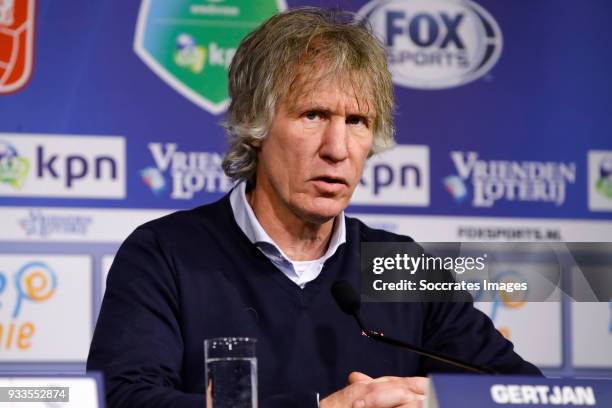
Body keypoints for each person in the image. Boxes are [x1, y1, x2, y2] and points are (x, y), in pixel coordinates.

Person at [87, 7, 540, 408]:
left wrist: (440, 402)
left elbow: (523, 394)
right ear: (255, 126)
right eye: (313, 115)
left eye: (357, 122)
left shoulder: (399, 268)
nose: (337, 148)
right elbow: (126, 397)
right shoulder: (165, 254)